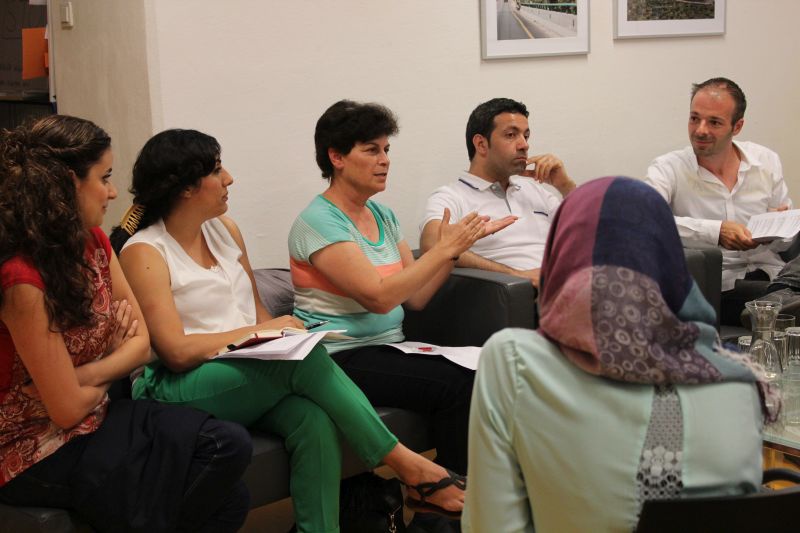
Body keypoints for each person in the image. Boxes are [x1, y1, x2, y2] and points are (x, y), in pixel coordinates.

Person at [112, 128, 466, 533]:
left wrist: (281, 333)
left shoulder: (225, 230)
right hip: (177, 386)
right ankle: (409, 466)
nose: (229, 178)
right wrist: (259, 335)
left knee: (312, 420)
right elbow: (174, 351)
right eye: (216, 170)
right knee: (303, 360)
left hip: (240, 370)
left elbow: (257, 312)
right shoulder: (145, 251)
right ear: (185, 188)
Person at [463, 177, 776, 532]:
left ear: (559, 257)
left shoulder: (514, 361)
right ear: (671, 261)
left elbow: (492, 525)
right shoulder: (737, 379)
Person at [0, 115, 252, 532]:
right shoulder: (21, 280)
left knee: (229, 467)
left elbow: (141, 345)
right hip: (34, 445)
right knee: (219, 462)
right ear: (66, 184)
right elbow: (65, 410)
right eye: (104, 178)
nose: (114, 192)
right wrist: (110, 357)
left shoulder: (96, 242)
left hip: (97, 414)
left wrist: (83, 375)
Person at [289, 100, 513, 532]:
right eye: (371, 150)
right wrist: (444, 249)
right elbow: (377, 297)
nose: (385, 160)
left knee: (489, 367)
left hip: (388, 348)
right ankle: (440, 505)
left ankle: (458, 500)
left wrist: (452, 251)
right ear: (336, 157)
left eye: (387, 150)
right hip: (336, 358)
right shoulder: (318, 222)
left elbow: (416, 298)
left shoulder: (382, 215)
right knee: (458, 383)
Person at [644, 77, 792, 325]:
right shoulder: (667, 168)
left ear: (737, 126)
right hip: (719, 285)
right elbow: (647, 220)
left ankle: (780, 304)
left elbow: (784, 242)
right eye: (694, 118)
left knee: (787, 284)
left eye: (714, 122)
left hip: (774, 275)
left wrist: (778, 229)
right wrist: (716, 232)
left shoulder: (765, 161)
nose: (700, 130)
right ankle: (774, 308)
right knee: (779, 301)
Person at [419, 97, 576, 288]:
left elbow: (591, 232)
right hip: (524, 293)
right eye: (511, 135)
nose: (524, 145)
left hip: (569, 282)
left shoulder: (535, 190)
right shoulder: (451, 196)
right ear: (481, 144)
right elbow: (432, 244)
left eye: (526, 136)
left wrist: (565, 186)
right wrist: (517, 276)